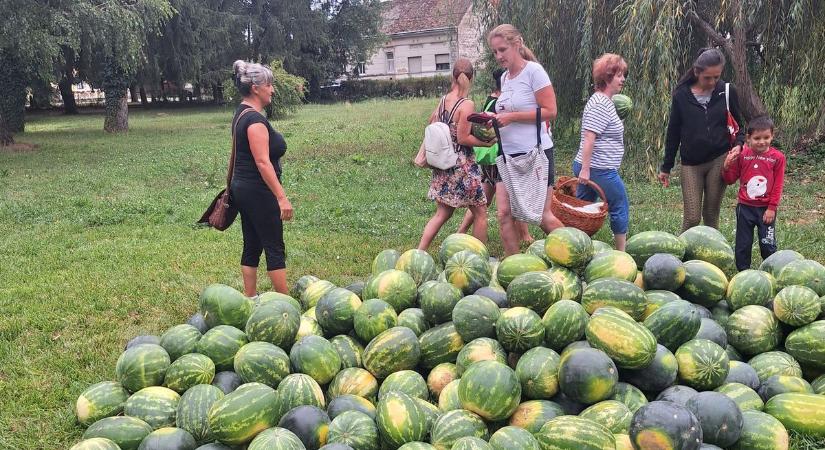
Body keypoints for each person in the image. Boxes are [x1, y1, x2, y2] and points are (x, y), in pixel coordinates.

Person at [487, 24, 564, 255]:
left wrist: (512, 117)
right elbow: (507, 111)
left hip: (534, 154)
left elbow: (550, 111)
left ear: (517, 44)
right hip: (507, 155)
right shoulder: (505, 79)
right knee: (503, 214)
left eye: (502, 50)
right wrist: (492, 119)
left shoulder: (534, 72)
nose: (499, 56)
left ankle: (579, 252)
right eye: (495, 52)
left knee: (540, 215)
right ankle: (515, 268)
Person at [659, 48, 745, 231]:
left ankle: (711, 259)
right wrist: (666, 167)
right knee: (692, 218)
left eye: (717, 77)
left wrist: (739, 145)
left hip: (719, 159)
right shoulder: (681, 95)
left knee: (711, 216)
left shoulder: (727, 91)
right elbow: (673, 132)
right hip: (691, 164)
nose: (713, 82)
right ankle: (681, 257)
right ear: (697, 72)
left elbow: (740, 127)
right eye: (708, 77)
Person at [229, 60, 294, 296]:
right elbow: (262, 162)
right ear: (256, 88)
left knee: (252, 243)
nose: (272, 89)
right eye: (269, 84)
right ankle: (286, 303)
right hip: (258, 190)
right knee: (274, 246)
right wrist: (281, 197)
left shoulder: (241, 113)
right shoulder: (255, 120)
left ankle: (250, 298)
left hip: (243, 189)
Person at [417, 58, 492, 251]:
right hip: (462, 167)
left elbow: (431, 120)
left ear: (453, 76)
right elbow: (463, 138)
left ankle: (419, 251)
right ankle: (478, 257)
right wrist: (486, 141)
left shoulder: (445, 99)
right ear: (472, 77)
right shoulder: (466, 104)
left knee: (442, 213)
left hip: (443, 164)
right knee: (480, 212)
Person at [457, 67, 533, 244]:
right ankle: (524, 235)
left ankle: (460, 232)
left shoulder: (492, 99)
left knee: (483, 200)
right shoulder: (500, 103)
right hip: (498, 157)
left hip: (490, 159)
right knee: (515, 195)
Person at [573, 53, 630, 251]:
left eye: (623, 75)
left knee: (583, 209)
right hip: (599, 169)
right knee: (619, 204)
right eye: (619, 75)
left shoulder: (605, 102)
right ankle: (621, 252)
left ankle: (576, 246)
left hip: (594, 167)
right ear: (607, 77)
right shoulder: (600, 104)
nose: (623, 79)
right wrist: (586, 170)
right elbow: (589, 137)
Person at [722, 116, 786, 271]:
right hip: (745, 208)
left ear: (772, 136)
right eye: (757, 138)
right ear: (748, 138)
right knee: (743, 244)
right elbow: (730, 179)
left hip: (766, 210)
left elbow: (778, 185)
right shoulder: (743, 155)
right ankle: (743, 273)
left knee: (767, 243)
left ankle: (771, 271)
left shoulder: (778, 158)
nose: (762, 142)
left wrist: (772, 208)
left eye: (766, 137)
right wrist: (726, 166)